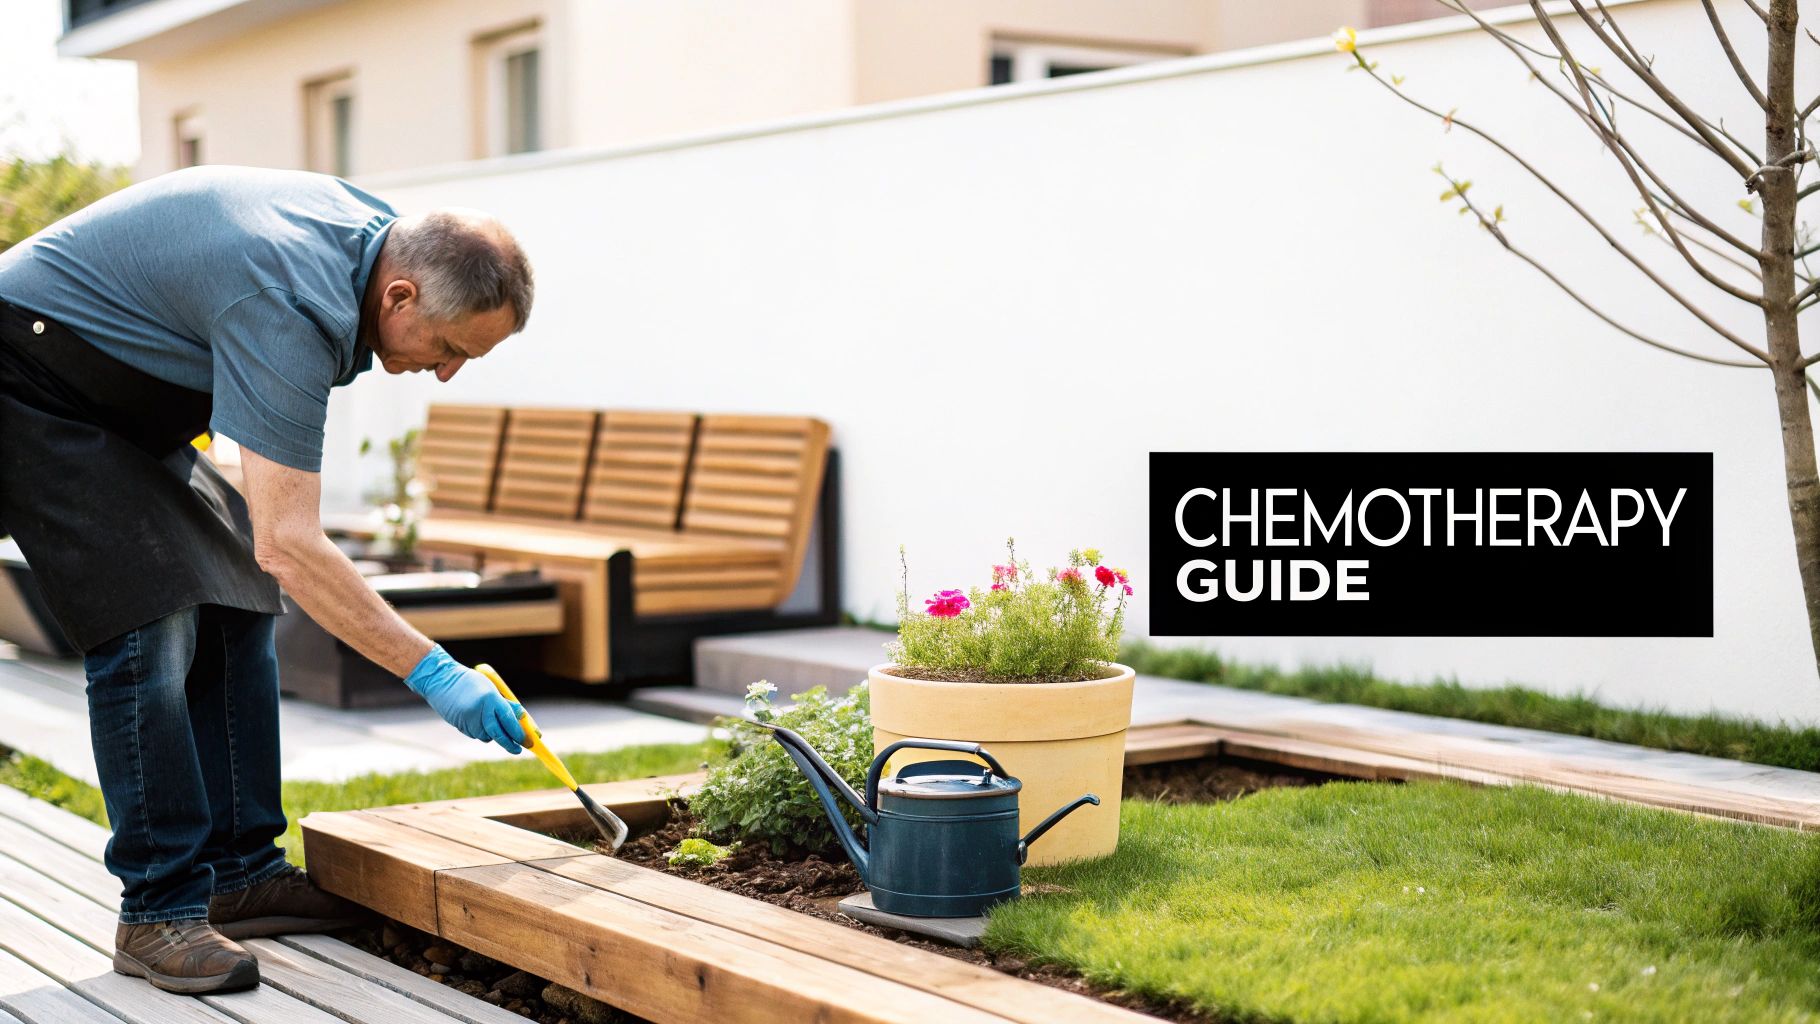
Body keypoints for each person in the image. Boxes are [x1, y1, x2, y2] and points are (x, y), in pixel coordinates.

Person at [0, 165, 534, 996]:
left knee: (242, 593)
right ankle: (158, 909)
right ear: (397, 299)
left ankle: (239, 870)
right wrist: (434, 671)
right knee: (152, 613)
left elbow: (268, 552)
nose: (448, 373)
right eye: (452, 349)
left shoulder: (377, 242)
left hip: (115, 394)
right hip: (26, 373)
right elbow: (290, 539)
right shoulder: (289, 301)